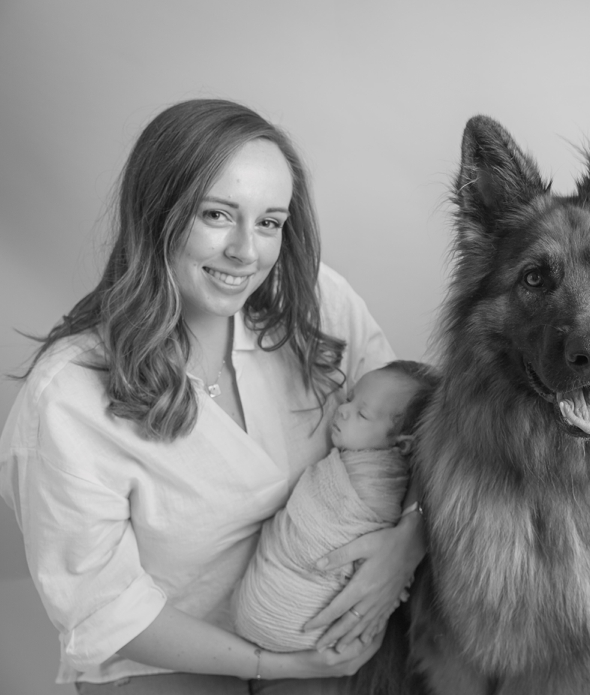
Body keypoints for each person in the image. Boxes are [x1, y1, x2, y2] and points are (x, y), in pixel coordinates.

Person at [0, 99, 425, 693]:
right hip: (171, 656)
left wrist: (410, 540)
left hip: (325, 632)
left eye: (270, 222)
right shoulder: (67, 399)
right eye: (218, 214)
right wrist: (272, 667)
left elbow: (427, 435)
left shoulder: (317, 302)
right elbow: (106, 609)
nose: (246, 252)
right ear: (157, 215)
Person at [233, 360, 438, 653]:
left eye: (362, 414)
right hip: (267, 616)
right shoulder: (359, 455)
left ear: (402, 446)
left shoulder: (376, 487)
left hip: (293, 621)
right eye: (351, 398)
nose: (343, 409)